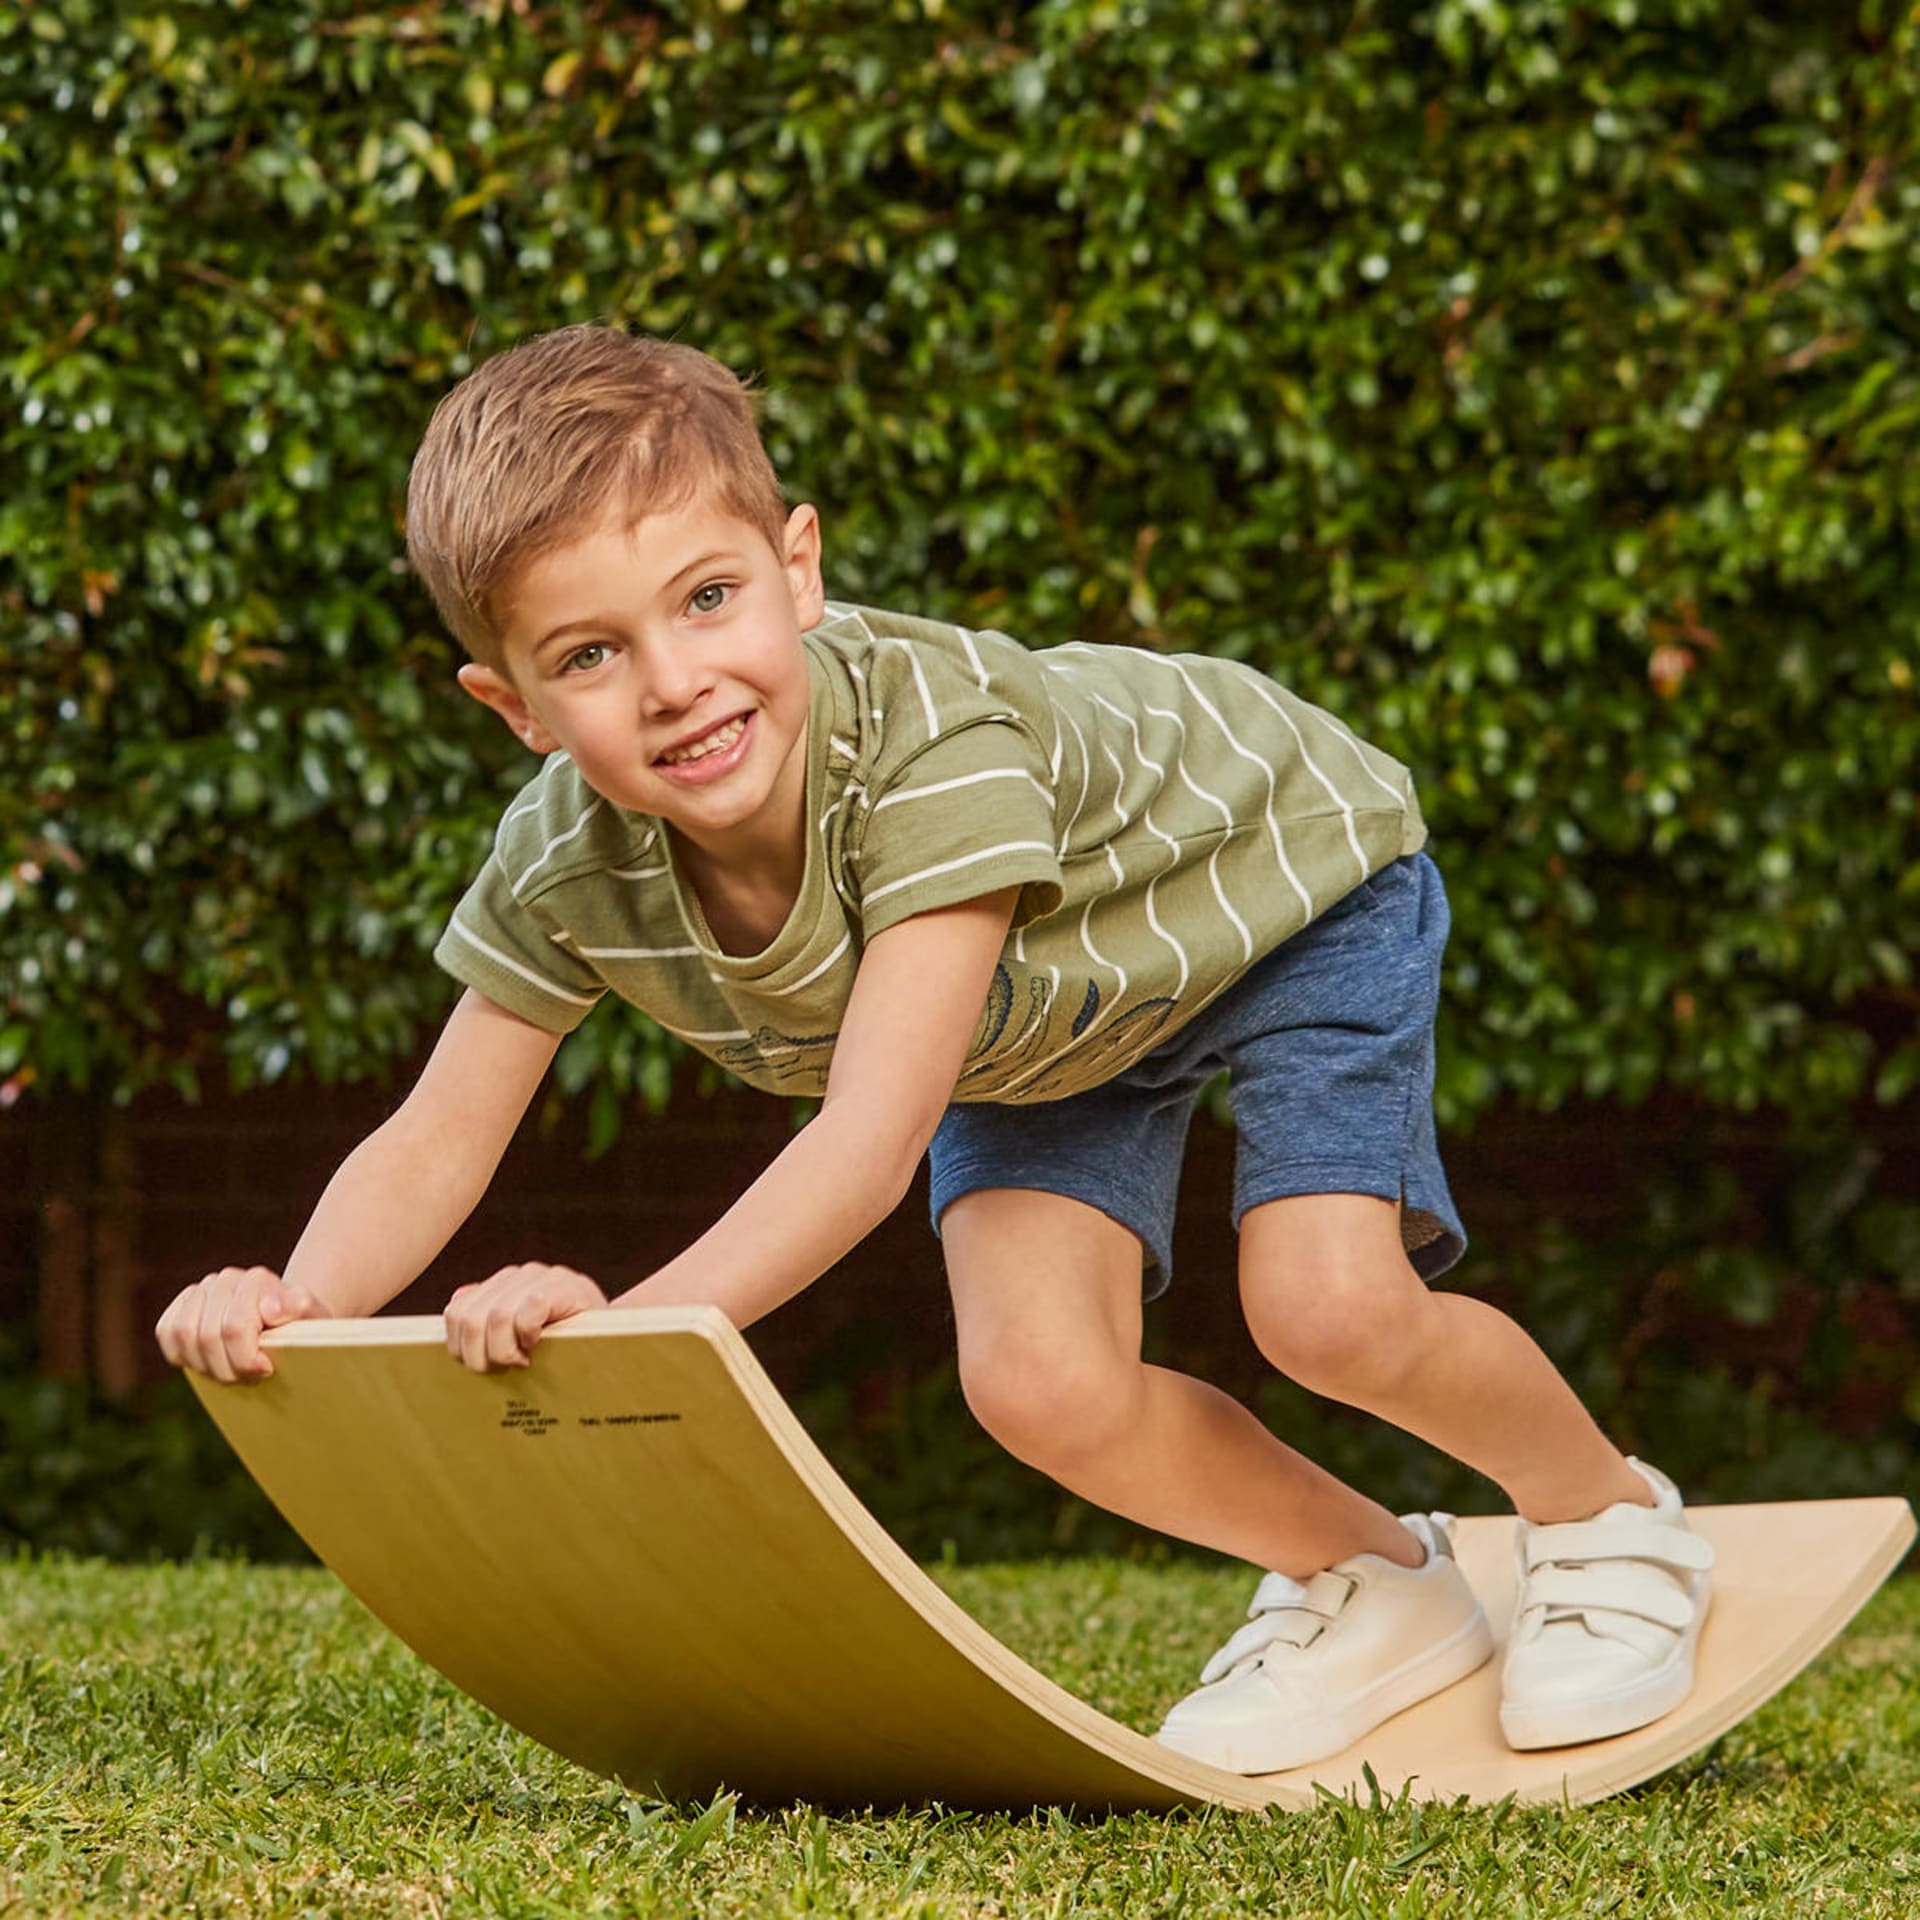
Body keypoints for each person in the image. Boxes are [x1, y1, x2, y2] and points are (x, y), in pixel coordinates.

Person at [155, 324, 1712, 1771]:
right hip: (1047, 1013)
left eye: (708, 598)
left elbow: (868, 1136)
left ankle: (1606, 1522)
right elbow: (439, 1130)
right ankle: (1374, 1579)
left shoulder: (926, 755)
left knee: (1327, 1305)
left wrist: (627, 1338)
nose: (677, 680)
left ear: (798, 567)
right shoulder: (564, 862)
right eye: (590, 655)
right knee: (1039, 1383)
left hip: (1275, 889)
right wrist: (295, 1302)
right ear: (515, 708)